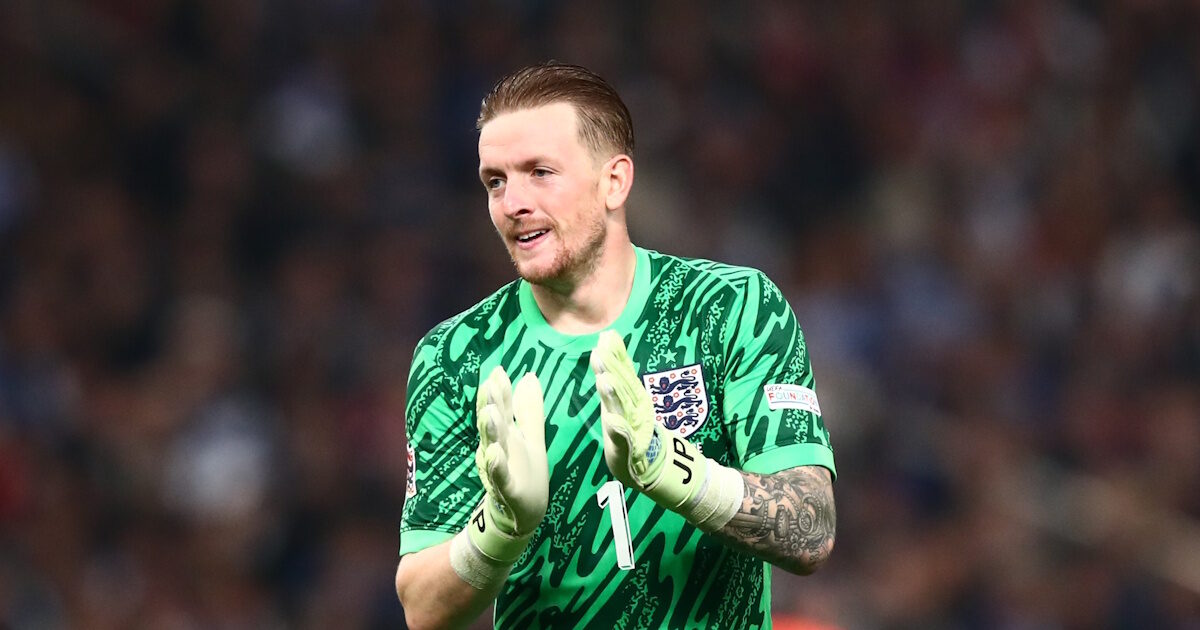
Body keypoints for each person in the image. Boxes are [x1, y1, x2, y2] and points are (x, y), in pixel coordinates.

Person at [394, 61, 836, 630]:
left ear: (615, 182)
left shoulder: (730, 308)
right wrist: (498, 529)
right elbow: (422, 610)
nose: (512, 203)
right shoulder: (455, 355)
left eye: (540, 172)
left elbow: (812, 528)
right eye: (495, 181)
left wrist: (677, 472)